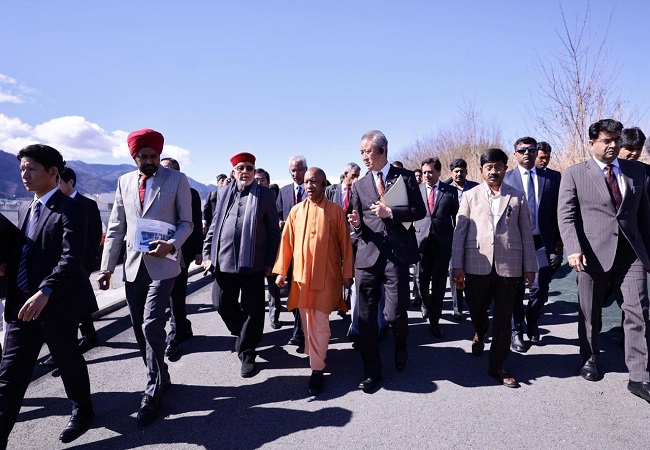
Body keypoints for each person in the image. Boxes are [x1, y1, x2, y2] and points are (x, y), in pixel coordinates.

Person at [98, 129, 193, 426]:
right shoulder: (124, 181)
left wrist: (171, 245)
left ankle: (151, 391)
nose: (150, 161)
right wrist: (107, 268)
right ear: (134, 157)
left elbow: (187, 223)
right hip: (133, 266)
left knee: (152, 322)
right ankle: (160, 373)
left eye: (154, 156)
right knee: (139, 327)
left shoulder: (177, 179)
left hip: (164, 265)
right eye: (144, 156)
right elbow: (116, 226)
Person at [0, 144, 94, 446]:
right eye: (22, 169)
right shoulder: (25, 208)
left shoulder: (72, 208)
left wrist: (46, 290)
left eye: (32, 169)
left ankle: (83, 411)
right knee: (9, 377)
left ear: (53, 172)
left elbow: (72, 257)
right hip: (21, 306)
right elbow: (24, 251)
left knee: (68, 362)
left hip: (57, 304)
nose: (24, 175)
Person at [558, 119, 650, 403]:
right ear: (592, 143)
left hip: (630, 255)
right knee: (590, 312)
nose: (613, 145)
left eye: (617, 140)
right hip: (591, 255)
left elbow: (644, 215)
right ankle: (589, 357)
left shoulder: (636, 171)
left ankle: (640, 376)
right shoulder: (574, 174)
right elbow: (566, 216)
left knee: (638, 311)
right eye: (607, 140)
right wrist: (573, 249)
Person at [451, 148, 537, 389]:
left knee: (504, 316)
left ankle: (498, 365)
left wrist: (530, 267)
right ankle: (480, 330)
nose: (493, 171)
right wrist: (457, 264)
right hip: (476, 263)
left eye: (498, 167)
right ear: (481, 170)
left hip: (509, 265)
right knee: (476, 308)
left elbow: (526, 233)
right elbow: (460, 232)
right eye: (489, 167)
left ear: (505, 169)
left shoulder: (517, 196)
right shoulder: (470, 196)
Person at [347, 130, 426, 392]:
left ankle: (401, 344)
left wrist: (390, 212)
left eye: (368, 151)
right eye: (361, 152)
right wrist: (355, 224)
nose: (364, 157)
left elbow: (419, 211)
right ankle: (372, 371)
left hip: (396, 256)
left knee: (394, 314)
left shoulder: (405, 177)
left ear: (383, 151)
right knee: (365, 317)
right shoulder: (359, 185)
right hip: (367, 256)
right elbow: (357, 221)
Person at [273, 167, 354, 395]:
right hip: (301, 278)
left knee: (320, 322)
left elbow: (345, 244)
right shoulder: (295, 212)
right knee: (307, 320)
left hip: (327, 277)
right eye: (307, 182)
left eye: (314, 182)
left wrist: (347, 274)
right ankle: (317, 355)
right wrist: (281, 272)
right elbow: (286, 243)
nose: (309, 186)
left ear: (324, 184)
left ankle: (317, 370)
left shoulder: (335, 211)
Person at [203, 152, 280, 378]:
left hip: (253, 263)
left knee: (253, 309)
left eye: (249, 168)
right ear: (233, 172)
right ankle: (244, 334)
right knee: (220, 303)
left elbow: (273, 232)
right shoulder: (222, 192)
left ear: (254, 171)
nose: (245, 172)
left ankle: (247, 352)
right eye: (241, 168)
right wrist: (207, 253)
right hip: (224, 260)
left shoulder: (265, 195)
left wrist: (270, 262)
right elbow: (215, 225)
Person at [39, 167, 103, 369]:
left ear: (70, 183)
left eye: (58, 183)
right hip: (58, 266)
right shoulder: (51, 204)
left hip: (79, 264)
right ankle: (86, 337)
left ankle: (64, 353)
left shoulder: (87, 204)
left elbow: (94, 236)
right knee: (73, 304)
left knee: (68, 306)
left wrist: (84, 264)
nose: (55, 187)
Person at [504, 137, 562, 352]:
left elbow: (558, 210)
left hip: (541, 241)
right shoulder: (506, 179)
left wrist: (560, 239)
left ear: (537, 152)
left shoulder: (552, 178)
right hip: (514, 241)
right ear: (515, 154)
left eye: (531, 149)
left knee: (541, 284)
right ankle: (516, 330)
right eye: (522, 150)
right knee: (515, 288)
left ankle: (532, 317)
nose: (527, 153)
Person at [159, 158, 203, 359]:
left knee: (176, 296)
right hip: (157, 253)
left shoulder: (191, 194)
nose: (164, 172)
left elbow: (195, 224)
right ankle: (183, 326)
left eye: (169, 169)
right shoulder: (153, 192)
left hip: (182, 252)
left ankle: (174, 339)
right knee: (166, 298)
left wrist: (198, 251)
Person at [414, 157, 458, 338]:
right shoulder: (415, 191)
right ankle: (426, 303)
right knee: (421, 281)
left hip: (442, 245)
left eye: (430, 172)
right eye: (424, 172)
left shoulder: (450, 192)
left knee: (439, 285)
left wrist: (456, 243)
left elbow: (456, 218)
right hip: (421, 244)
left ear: (439, 172)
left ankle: (434, 321)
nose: (426, 175)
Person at [276, 155, 308, 347]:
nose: (296, 174)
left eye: (299, 170)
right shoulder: (284, 192)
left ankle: (300, 331)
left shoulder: (314, 189)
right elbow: (277, 214)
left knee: (305, 290)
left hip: (309, 250)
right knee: (294, 291)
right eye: (293, 171)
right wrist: (280, 223)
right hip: (290, 249)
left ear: (306, 169)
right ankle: (300, 327)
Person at [444, 158, 479, 320]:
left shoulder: (475, 188)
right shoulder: (446, 190)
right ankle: (457, 308)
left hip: (473, 235)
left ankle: (474, 304)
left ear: (466, 172)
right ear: (451, 173)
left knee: (473, 272)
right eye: (456, 171)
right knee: (455, 270)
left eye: (461, 171)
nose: (459, 174)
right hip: (453, 236)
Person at [254, 168, 283, 329]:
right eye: (256, 180)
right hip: (254, 254)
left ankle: (274, 316)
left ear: (268, 182)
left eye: (262, 180)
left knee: (273, 287)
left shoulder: (272, 198)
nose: (258, 183)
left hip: (272, 250)